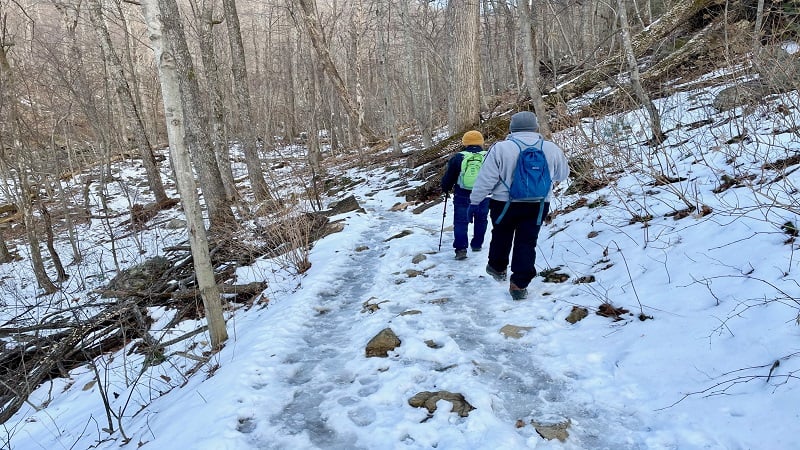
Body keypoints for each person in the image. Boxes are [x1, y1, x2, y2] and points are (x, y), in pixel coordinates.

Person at [469, 111, 569, 300]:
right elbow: (562, 175)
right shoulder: (551, 148)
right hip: (538, 204)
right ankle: (519, 284)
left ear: (512, 128)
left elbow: (486, 179)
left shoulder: (501, 148)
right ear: (535, 127)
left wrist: (475, 202)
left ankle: (497, 268)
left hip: (503, 202)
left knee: (501, 234)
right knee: (527, 242)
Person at [440, 130, 491, 260]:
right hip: (483, 194)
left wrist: (445, 188)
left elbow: (449, 177)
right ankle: (477, 244)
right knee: (481, 219)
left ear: (465, 143)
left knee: (460, 221)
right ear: (481, 142)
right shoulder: (488, 156)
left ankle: (461, 249)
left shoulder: (458, 157)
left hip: (462, 194)